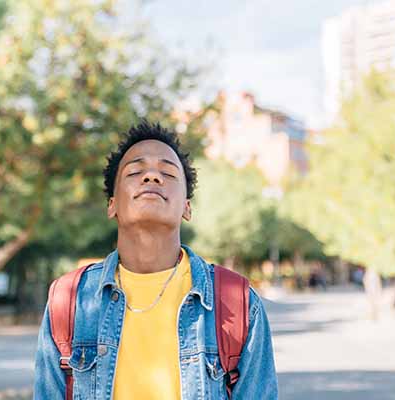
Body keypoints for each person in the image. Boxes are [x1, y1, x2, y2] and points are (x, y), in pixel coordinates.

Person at [33, 121, 278, 399]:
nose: (152, 177)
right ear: (112, 204)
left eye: (168, 173)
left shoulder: (237, 303)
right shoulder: (69, 300)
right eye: (136, 171)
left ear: (187, 207)